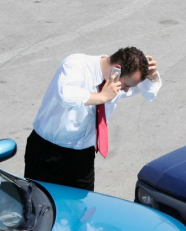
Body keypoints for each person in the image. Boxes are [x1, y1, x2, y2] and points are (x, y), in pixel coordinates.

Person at [24, 47, 161, 191]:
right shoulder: (76, 64)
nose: (126, 90)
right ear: (117, 70)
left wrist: (152, 77)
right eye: (126, 85)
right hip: (47, 152)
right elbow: (66, 95)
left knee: (83, 208)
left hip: (83, 157)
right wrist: (102, 96)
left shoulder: (117, 82)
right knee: (39, 207)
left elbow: (150, 94)